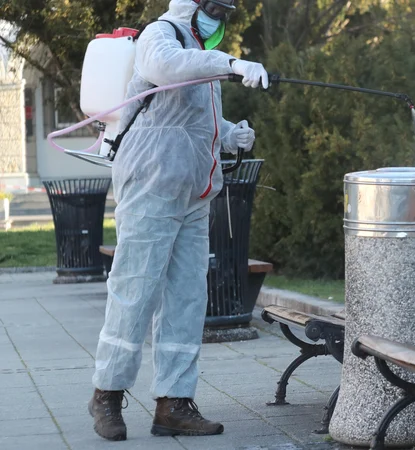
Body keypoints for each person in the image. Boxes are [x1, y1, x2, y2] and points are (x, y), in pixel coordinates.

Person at [87, 0, 270, 441]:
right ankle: (107, 393)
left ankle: (174, 402)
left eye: (224, 13)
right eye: (213, 10)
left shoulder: (198, 53)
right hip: (151, 181)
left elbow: (192, 118)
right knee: (135, 289)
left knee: (187, 298)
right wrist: (230, 63)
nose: (218, 20)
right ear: (192, 5)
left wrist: (229, 133)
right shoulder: (160, 34)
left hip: (193, 188)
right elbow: (165, 68)